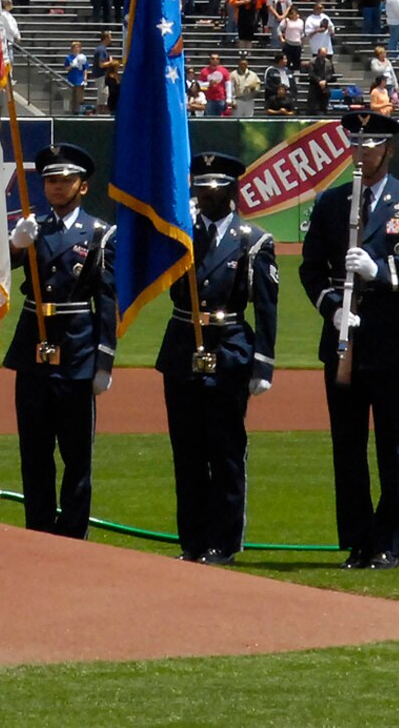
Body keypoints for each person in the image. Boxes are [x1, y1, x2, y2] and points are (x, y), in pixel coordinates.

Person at [298, 109, 399, 570]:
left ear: (389, 149)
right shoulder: (330, 203)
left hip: (394, 338)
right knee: (347, 446)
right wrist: (333, 307)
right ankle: (358, 541)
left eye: (371, 145)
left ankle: (391, 542)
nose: (361, 153)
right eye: (355, 144)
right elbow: (311, 269)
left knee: (394, 446)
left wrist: (380, 272)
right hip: (344, 341)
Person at [158, 153, 279, 564]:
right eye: (201, 184)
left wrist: (263, 364)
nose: (205, 192)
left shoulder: (252, 240)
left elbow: (266, 307)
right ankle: (192, 539)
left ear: (232, 189)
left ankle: (224, 541)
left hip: (228, 346)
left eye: (215, 185)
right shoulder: (180, 236)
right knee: (187, 450)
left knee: (225, 449)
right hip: (181, 345)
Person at [4, 143, 116, 538]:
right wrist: (15, 244)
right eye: (50, 180)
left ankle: (72, 534)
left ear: (82, 187)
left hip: (76, 347)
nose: (56, 187)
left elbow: (107, 301)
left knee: (75, 453)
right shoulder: (31, 228)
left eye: (65, 180)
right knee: (34, 451)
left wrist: (104, 361)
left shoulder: (100, 233)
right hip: (32, 344)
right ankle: (37, 529)